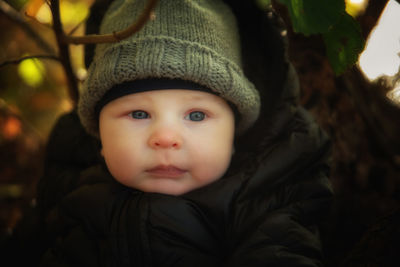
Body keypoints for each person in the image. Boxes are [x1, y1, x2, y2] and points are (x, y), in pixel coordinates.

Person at [5, 0, 334, 266]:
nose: (165, 137)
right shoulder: (71, 192)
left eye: (195, 115)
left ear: (234, 135)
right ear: (99, 136)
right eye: (138, 113)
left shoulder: (262, 202)